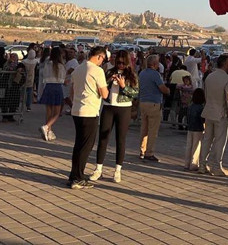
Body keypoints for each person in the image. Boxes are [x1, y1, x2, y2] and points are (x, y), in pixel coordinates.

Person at [91, 50, 138, 183]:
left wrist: (123, 87)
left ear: (127, 62)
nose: (120, 65)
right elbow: (100, 88)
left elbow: (135, 93)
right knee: (103, 138)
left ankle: (117, 170)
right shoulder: (109, 72)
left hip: (124, 108)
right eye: (118, 62)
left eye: (123, 63)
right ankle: (98, 169)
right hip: (109, 107)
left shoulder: (132, 75)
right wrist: (109, 81)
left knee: (120, 139)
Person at [67, 46, 108, 189]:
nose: (102, 62)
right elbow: (105, 94)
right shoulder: (97, 71)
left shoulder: (78, 69)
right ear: (99, 56)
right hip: (89, 111)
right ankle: (78, 177)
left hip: (77, 109)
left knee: (78, 144)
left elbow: (72, 90)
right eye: (103, 59)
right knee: (86, 146)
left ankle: (74, 175)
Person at [200, 54, 228, 176]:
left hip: (209, 111)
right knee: (220, 140)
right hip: (221, 113)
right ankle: (217, 166)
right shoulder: (227, 79)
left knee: (207, 139)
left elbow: (206, 93)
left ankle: (202, 164)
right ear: (224, 64)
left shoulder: (209, 77)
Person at [138, 54, 169, 162]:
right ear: (155, 64)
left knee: (144, 128)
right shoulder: (155, 74)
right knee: (152, 130)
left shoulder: (142, 73)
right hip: (154, 103)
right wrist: (168, 90)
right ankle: (149, 152)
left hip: (143, 102)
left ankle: (142, 150)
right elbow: (162, 88)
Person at [38, 47, 66, 141]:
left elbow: (44, 76)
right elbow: (63, 80)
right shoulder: (61, 66)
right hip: (57, 87)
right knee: (57, 113)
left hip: (48, 87)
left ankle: (49, 131)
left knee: (49, 111)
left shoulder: (47, 64)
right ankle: (47, 126)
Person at [184, 88, 205, 171]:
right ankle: (194, 163)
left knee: (189, 146)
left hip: (190, 128)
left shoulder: (190, 106)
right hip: (198, 129)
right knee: (196, 146)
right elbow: (202, 119)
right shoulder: (201, 108)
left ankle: (186, 163)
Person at [21, 45, 38, 111]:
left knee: (23, 91)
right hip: (31, 76)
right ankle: (28, 105)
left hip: (25, 76)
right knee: (30, 92)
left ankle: (21, 104)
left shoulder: (24, 61)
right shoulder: (35, 61)